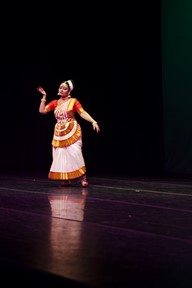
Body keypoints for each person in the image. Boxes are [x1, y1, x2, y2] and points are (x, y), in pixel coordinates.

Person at [37, 79, 100, 187]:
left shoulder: (73, 102)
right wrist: (44, 96)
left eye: (64, 88)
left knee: (75, 153)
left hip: (72, 129)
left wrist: (93, 121)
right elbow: (42, 111)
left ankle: (82, 177)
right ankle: (66, 179)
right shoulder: (55, 103)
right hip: (59, 132)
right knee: (61, 155)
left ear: (69, 91)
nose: (61, 90)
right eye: (60, 87)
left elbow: (82, 112)